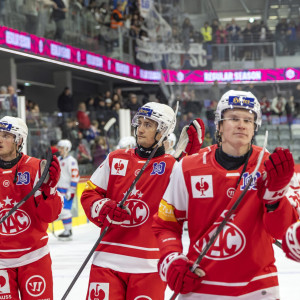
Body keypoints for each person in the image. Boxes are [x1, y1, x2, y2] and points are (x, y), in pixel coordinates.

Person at [152, 90, 300, 299]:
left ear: (255, 127)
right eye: (233, 118)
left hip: (258, 288)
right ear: (219, 125)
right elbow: (166, 223)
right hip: (200, 286)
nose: (242, 124)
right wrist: (171, 258)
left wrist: (275, 200)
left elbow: (284, 234)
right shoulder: (188, 167)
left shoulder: (273, 167)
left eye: (248, 120)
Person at [80, 102, 204, 300]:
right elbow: (89, 195)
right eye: (140, 123)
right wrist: (104, 207)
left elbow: (192, 203)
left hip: (150, 265)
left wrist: (192, 161)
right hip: (107, 260)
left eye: (149, 124)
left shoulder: (173, 166)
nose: (141, 129)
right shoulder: (115, 159)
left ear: (162, 131)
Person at [0, 116, 63, 299]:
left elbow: (49, 215)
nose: (0, 139)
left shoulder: (36, 168)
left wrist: (49, 189)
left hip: (34, 257)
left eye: (6, 135)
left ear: (19, 140)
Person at [56, 139, 80, 239]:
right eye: (59, 148)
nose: (60, 150)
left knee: (65, 211)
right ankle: (67, 230)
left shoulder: (72, 161)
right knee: (61, 211)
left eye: (61, 148)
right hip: (59, 190)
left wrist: (71, 190)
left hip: (67, 190)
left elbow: (75, 176)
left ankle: (68, 231)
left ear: (67, 149)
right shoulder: (58, 159)